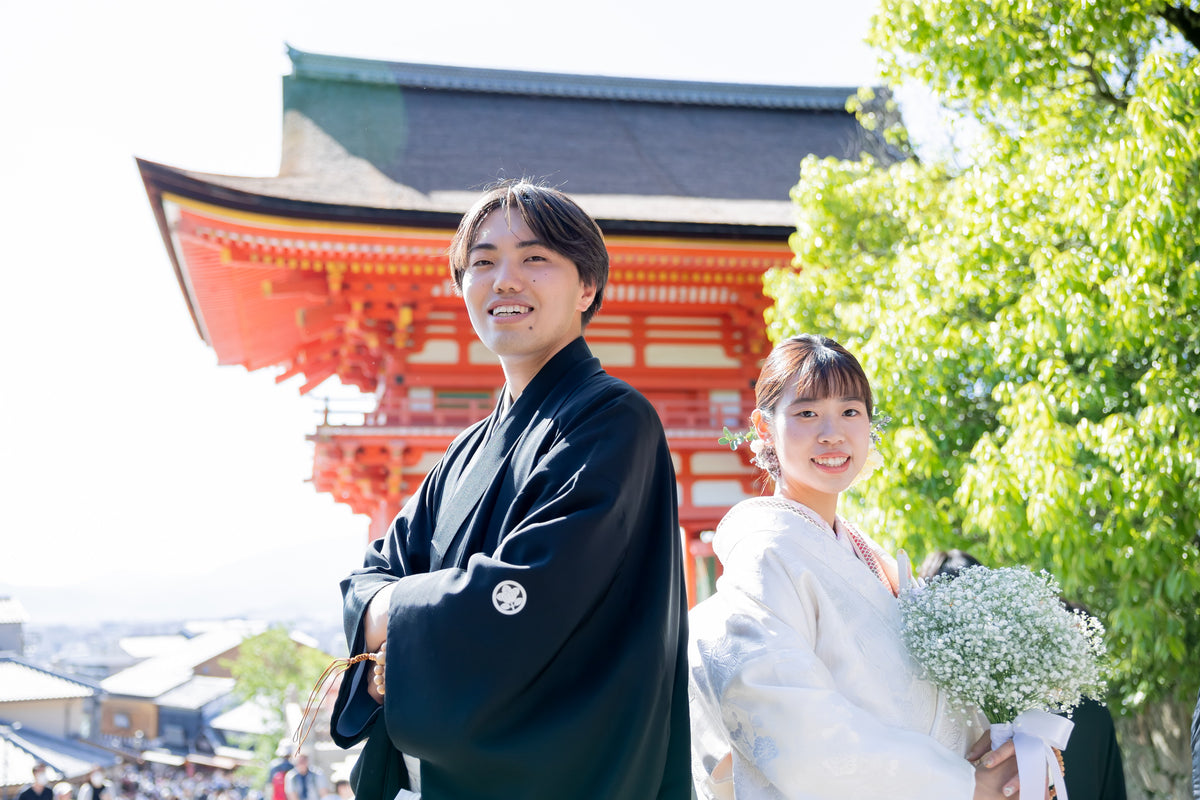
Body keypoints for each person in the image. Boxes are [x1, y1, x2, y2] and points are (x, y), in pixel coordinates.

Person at [329, 180, 690, 800]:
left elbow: (529, 590)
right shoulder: (467, 448)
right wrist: (387, 606)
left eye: (535, 258)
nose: (505, 280)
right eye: (483, 262)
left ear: (587, 287)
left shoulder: (613, 420)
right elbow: (374, 571)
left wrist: (393, 618)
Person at [687, 334, 1021, 799]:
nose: (833, 433)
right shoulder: (766, 553)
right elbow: (791, 723)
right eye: (806, 413)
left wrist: (1006, 756)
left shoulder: (867, 553)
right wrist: (963, 784)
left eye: (850, 412)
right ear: (764, 429)